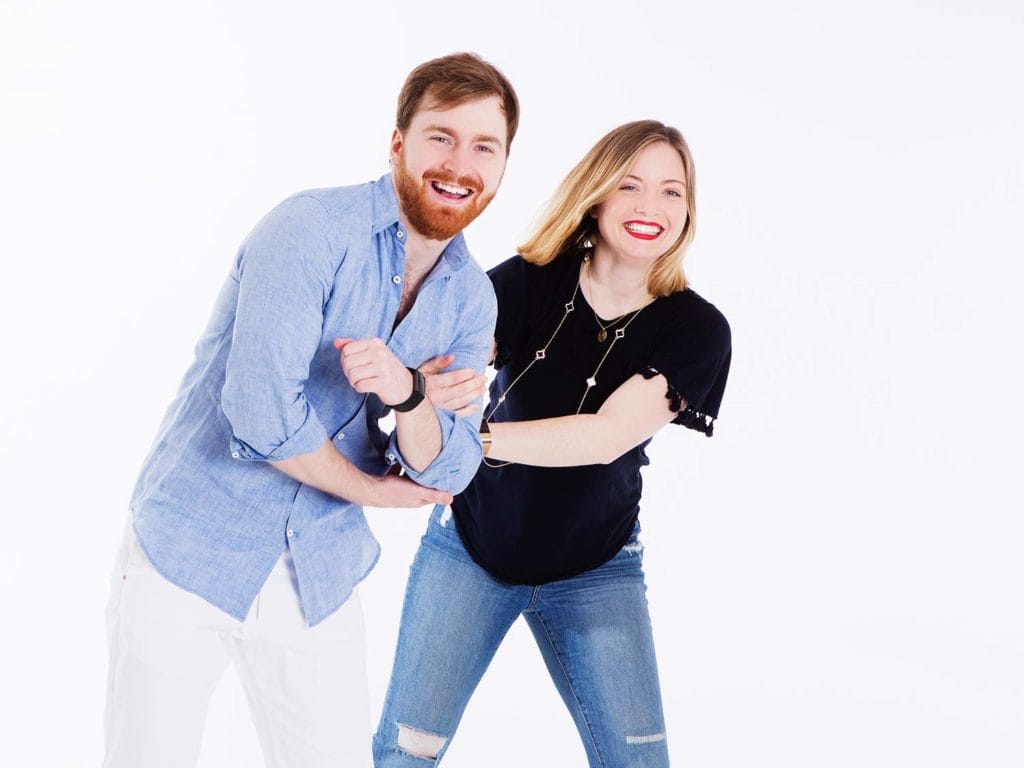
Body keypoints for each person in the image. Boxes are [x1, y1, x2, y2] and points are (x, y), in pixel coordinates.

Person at [103, 52, 519, 768]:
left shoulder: (471, 298)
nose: (460, 164)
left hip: (316, 571)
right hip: (192, 547)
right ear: (398, 143)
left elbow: (448, 466)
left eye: (485, 146)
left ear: (504, 164)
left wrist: (408, 392)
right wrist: (374, 488)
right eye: (441, 137)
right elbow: (261, 416)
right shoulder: (309, 230)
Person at [372, 120, 732, 767]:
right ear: (596, 195)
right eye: (630, 185)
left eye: (671, 191)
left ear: (688, 211)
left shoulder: (697, 328)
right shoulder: (529, 282)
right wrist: (421, 388)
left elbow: (607, 436)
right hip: (471, 548)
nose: (650, 206)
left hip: (597, 567)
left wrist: (470, 443)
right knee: (406, 753)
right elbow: (440, 367)